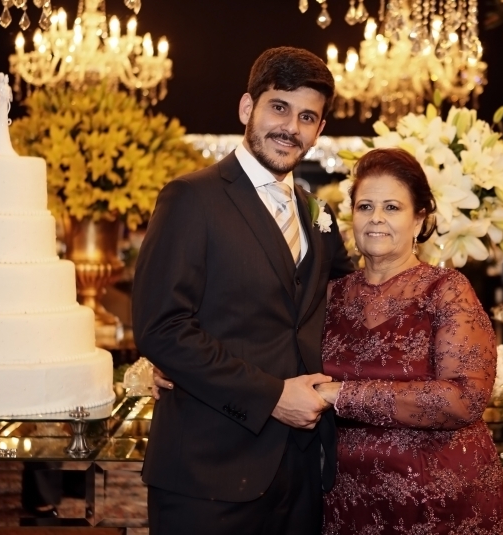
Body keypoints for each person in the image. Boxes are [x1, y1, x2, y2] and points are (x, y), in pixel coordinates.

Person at [132, 46, 354, 535]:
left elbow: (352, 309)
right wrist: (272, 396)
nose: (291, 127)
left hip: (301, 474)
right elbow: (161, 328)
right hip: (207, 472)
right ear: (247, 107)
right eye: (279, 107)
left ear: (319, 129)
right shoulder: (191, 197)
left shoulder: (318, 214)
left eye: (307, 117)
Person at [314, 148, 503, 534]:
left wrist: (341, 394)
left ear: (419, 219)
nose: (376, 218)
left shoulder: (447, 290)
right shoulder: (331, 295)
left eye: (392, 207)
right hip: (348, 504)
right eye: (365, 206)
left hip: (442, 505)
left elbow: (464, 399)